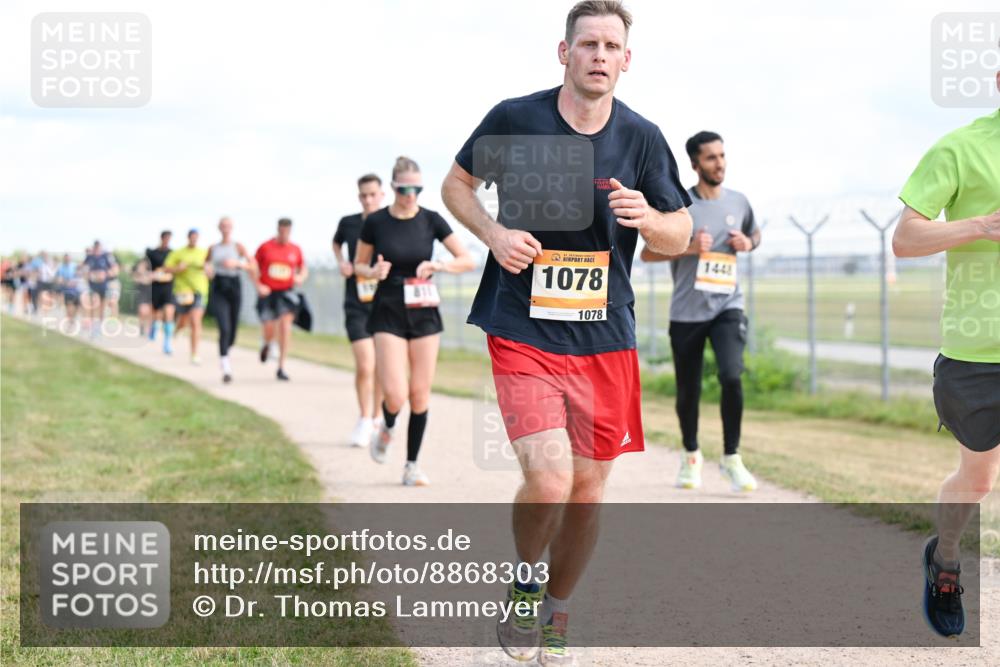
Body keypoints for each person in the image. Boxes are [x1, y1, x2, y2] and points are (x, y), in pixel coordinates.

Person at [440, 1, 692, 662]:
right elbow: (457, 185)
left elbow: (680, 232)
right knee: (550, 479)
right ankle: (525, 582)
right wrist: (493, 234)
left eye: (612, 46)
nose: (600, 56)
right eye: (589, 44)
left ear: (626, 60)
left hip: (604, 337)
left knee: (586, 490)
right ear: (565, 53)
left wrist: (649, 219)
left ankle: (558, 608)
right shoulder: (515, 118)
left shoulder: (642, 137)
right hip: (522, 323)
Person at [894, 77, 1000, 638]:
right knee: (978, 480)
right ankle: (947, 556)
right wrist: (981, 225)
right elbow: (905, 239)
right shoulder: (961, 147)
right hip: (976, 354)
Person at [640, 131, 761, 492]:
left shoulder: (739, 202)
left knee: (731, 376)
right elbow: (647, 253)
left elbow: (755, 235)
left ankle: (732, 458)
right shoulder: (680, 205)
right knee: (688, 389)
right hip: (687, 311)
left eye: (722, 155)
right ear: (694, 164)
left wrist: (748, 243)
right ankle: (691, 456)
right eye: (710, 157)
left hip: (728, 305)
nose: (719, 163)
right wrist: (689, 248)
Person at [355, 157, 474, 485]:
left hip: (424, 310)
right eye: (405, 189)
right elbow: (358, 265)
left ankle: (411, 466)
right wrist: (373, 272)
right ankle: (388, 426)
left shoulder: (432, 220)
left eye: (417, 189)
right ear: (393, 187)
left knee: (420, 394)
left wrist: (439, 266)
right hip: (388, 309)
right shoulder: (376, 222)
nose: (411, 195)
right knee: (395, 394)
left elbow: (467, 259)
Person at [334, 173, 386, 447]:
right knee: (365, 364)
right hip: (356, 302)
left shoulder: (389, 223)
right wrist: (343, 262)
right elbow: (336, 242)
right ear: (359, 197)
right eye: (363, 195)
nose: (368, 199)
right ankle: (364, 417)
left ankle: (377, 416)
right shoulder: (349, 223)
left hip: (383, 303)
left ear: (382, 195)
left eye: (372, 194)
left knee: (379, 365)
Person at [254, 218, 308, 381]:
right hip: (268, 293)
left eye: (287, 231)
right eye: (282, 231)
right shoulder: (265, 247)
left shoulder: (295, 249)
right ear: (278, 229)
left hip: (286, 293)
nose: (284, 234)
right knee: (270, 328)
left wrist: (300, 277)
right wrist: (258, 285)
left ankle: (281, 366)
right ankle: (267, 344)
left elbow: (303, 268)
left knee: (285, 326)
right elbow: (253, 267)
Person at [207, 216, 254, 383]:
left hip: (234, 286)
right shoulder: (213, 248)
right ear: (219, 227)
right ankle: (225, 364)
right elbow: (206, 264)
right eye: (223, 225)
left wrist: (237, 264)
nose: (225, 228)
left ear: (232, 228)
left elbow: (252, 265)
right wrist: (208, 270)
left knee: (233, 330)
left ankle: (226, 349)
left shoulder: (238, 247)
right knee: (224, 327)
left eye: (228, 226)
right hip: (219, 286)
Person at [164, 229, 209, 364]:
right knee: (183, 320)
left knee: (195, 321)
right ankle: (177, 330)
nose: (194, 240)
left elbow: (210, 269)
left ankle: (194, 354)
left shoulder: (204, 253)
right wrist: (178, 268)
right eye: (192, 237)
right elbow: (166, 269)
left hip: (199, 290)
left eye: (196, 237)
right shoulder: (178, 253)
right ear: (188, 238)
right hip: (182, 291)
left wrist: (207, 269)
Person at [146, 231, 176, 354]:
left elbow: (176, 268)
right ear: (162, 238)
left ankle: (167, 342)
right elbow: (146, 268)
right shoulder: (152, 253)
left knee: (169, 313)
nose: (167, 240)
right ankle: (154, 326)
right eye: (166, 238)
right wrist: (150, 274)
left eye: (169, 238)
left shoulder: (173, 254)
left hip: (168, 286)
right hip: (155, 286)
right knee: (155, 312)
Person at [83, 241, 118, 336]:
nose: (97, 250)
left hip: (103, 285)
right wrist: (90, 275)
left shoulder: (106, 257)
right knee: (94, 305)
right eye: (96, 248)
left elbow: (114, 269)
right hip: (93, 286)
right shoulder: (89, 257)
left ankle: (99, 326)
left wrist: (105, 274)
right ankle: (93, 326)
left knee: (102, 307)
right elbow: (84, 269)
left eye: (99, 248)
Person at [130, 256, 154, 337]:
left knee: (149, 312)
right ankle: (142, 327)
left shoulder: (151, 270)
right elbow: (135, 279)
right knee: (142, 311)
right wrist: (140, 276)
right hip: (141, 292)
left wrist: (145, 277)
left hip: (150, 292)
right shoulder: (137, 271)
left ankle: (149, 329)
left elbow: (150, 279)